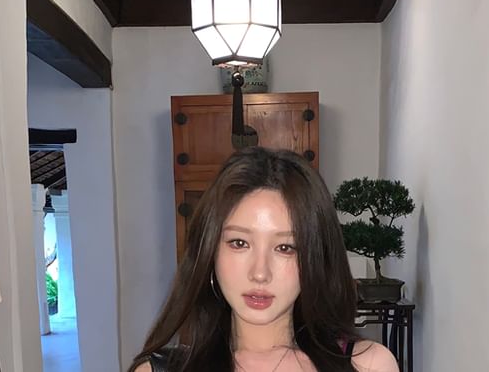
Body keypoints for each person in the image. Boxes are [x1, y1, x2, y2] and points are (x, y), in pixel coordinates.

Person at [130, 147, 399, 372]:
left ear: (314, 259)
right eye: (239, 243)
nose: (260, 273)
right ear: (210, 252)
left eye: (285, 247)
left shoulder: (367, 366)